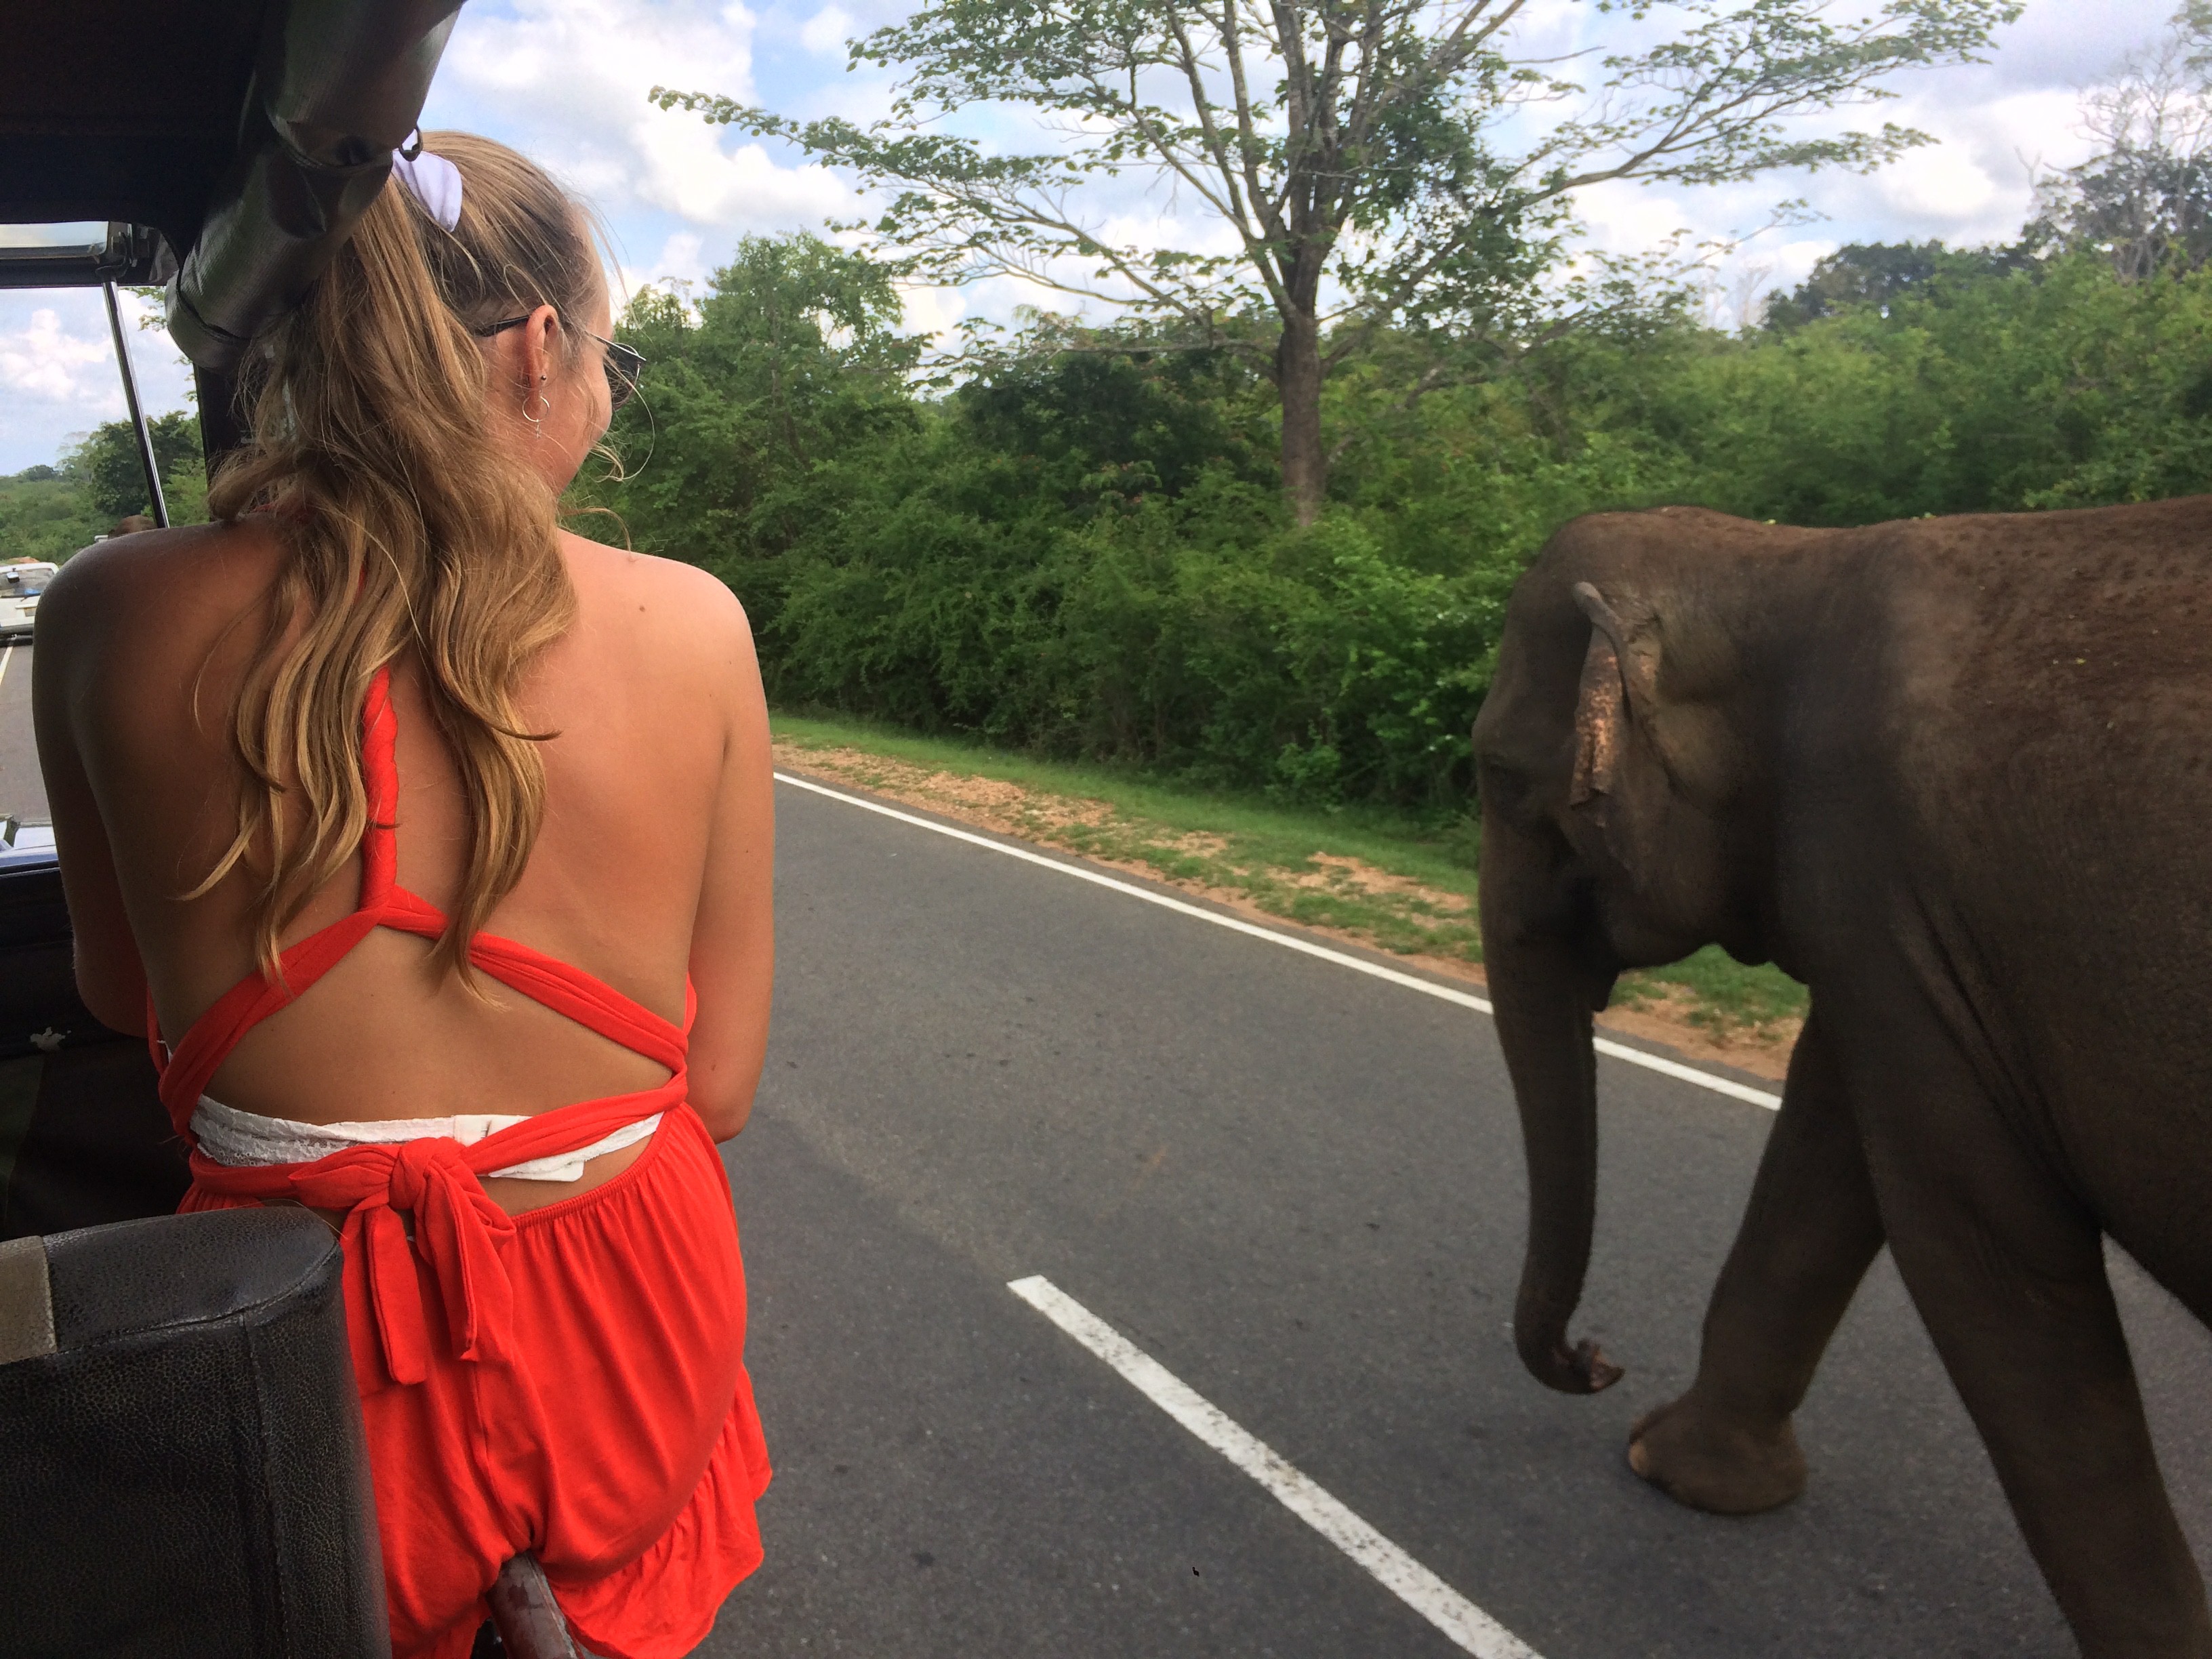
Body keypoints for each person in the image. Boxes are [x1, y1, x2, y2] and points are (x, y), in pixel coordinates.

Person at [32, 132, 774, 1659]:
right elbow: (722, 1083)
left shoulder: (110, 609)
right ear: (542, 351)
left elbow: (121, 997)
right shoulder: (694, 625)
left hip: (291, 1321)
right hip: (625, 1314)